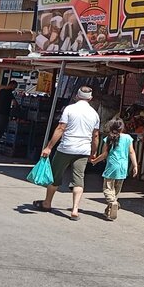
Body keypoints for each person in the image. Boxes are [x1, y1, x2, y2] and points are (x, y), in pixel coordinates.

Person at [33, 86, 100, 220]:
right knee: (78, 180)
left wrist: (49, 147)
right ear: (90, 99)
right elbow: (96, 136)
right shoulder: (94, 114)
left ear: (76, 96)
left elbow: (61, 128)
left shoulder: (69, 109)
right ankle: (75, 210)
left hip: (66, 148)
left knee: (55, 176)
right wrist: (93, 152)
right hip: (83, 150)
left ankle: (47, 203)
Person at [90, 118, 138, 221]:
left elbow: (104, 154)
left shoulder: (108, 138)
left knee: (108, 189)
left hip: (112, 167)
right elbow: (132, 152)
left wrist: (95, 161)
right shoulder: (128, 138)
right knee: (116, 190)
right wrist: (135, 166)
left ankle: (112, 202)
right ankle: (109, 211)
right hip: (123, 167)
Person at [0, 80, 18, 154]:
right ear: (11, 85)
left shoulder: (1, 91)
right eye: (14, 87)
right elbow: (15, 103)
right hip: (4, 116)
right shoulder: (9, 93)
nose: (14, 89)